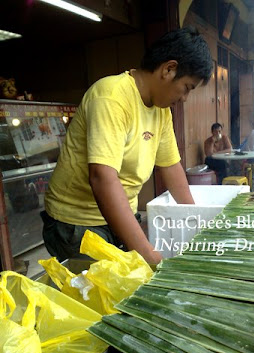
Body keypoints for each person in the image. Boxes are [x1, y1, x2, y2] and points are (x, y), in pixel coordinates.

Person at [41, 26, 213, 265]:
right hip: (77, 224)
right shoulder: (111, 96)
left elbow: (172, 167)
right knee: (107, 295)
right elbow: (102, 178)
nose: (184, 99)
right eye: (187, 88)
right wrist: (149, 255)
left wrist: (197, 223)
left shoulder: (161, 112)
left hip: (119, 215)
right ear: (169, 69)